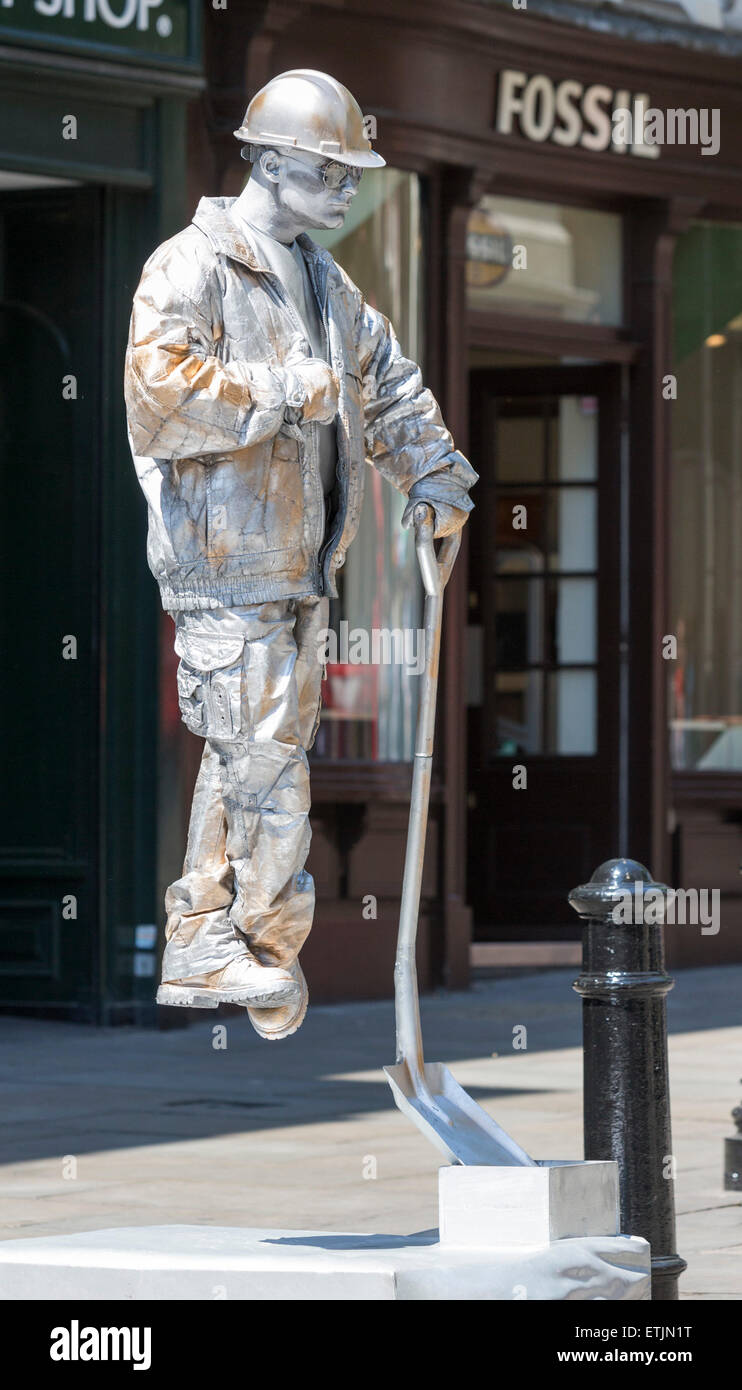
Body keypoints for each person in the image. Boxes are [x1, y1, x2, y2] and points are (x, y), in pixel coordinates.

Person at [124, 69, 477, 1041]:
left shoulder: (326, 280)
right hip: (223, 565)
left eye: (353, 175)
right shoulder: (187, 266)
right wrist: (283, 389)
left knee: (245, 763)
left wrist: (436, 478)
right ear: (273, 162)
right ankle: (263, 939)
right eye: (330, 172)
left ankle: (209, 937)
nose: (347, 191)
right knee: (268, 767)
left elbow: (388, 387)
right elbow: (158, 399)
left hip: (300, 567)